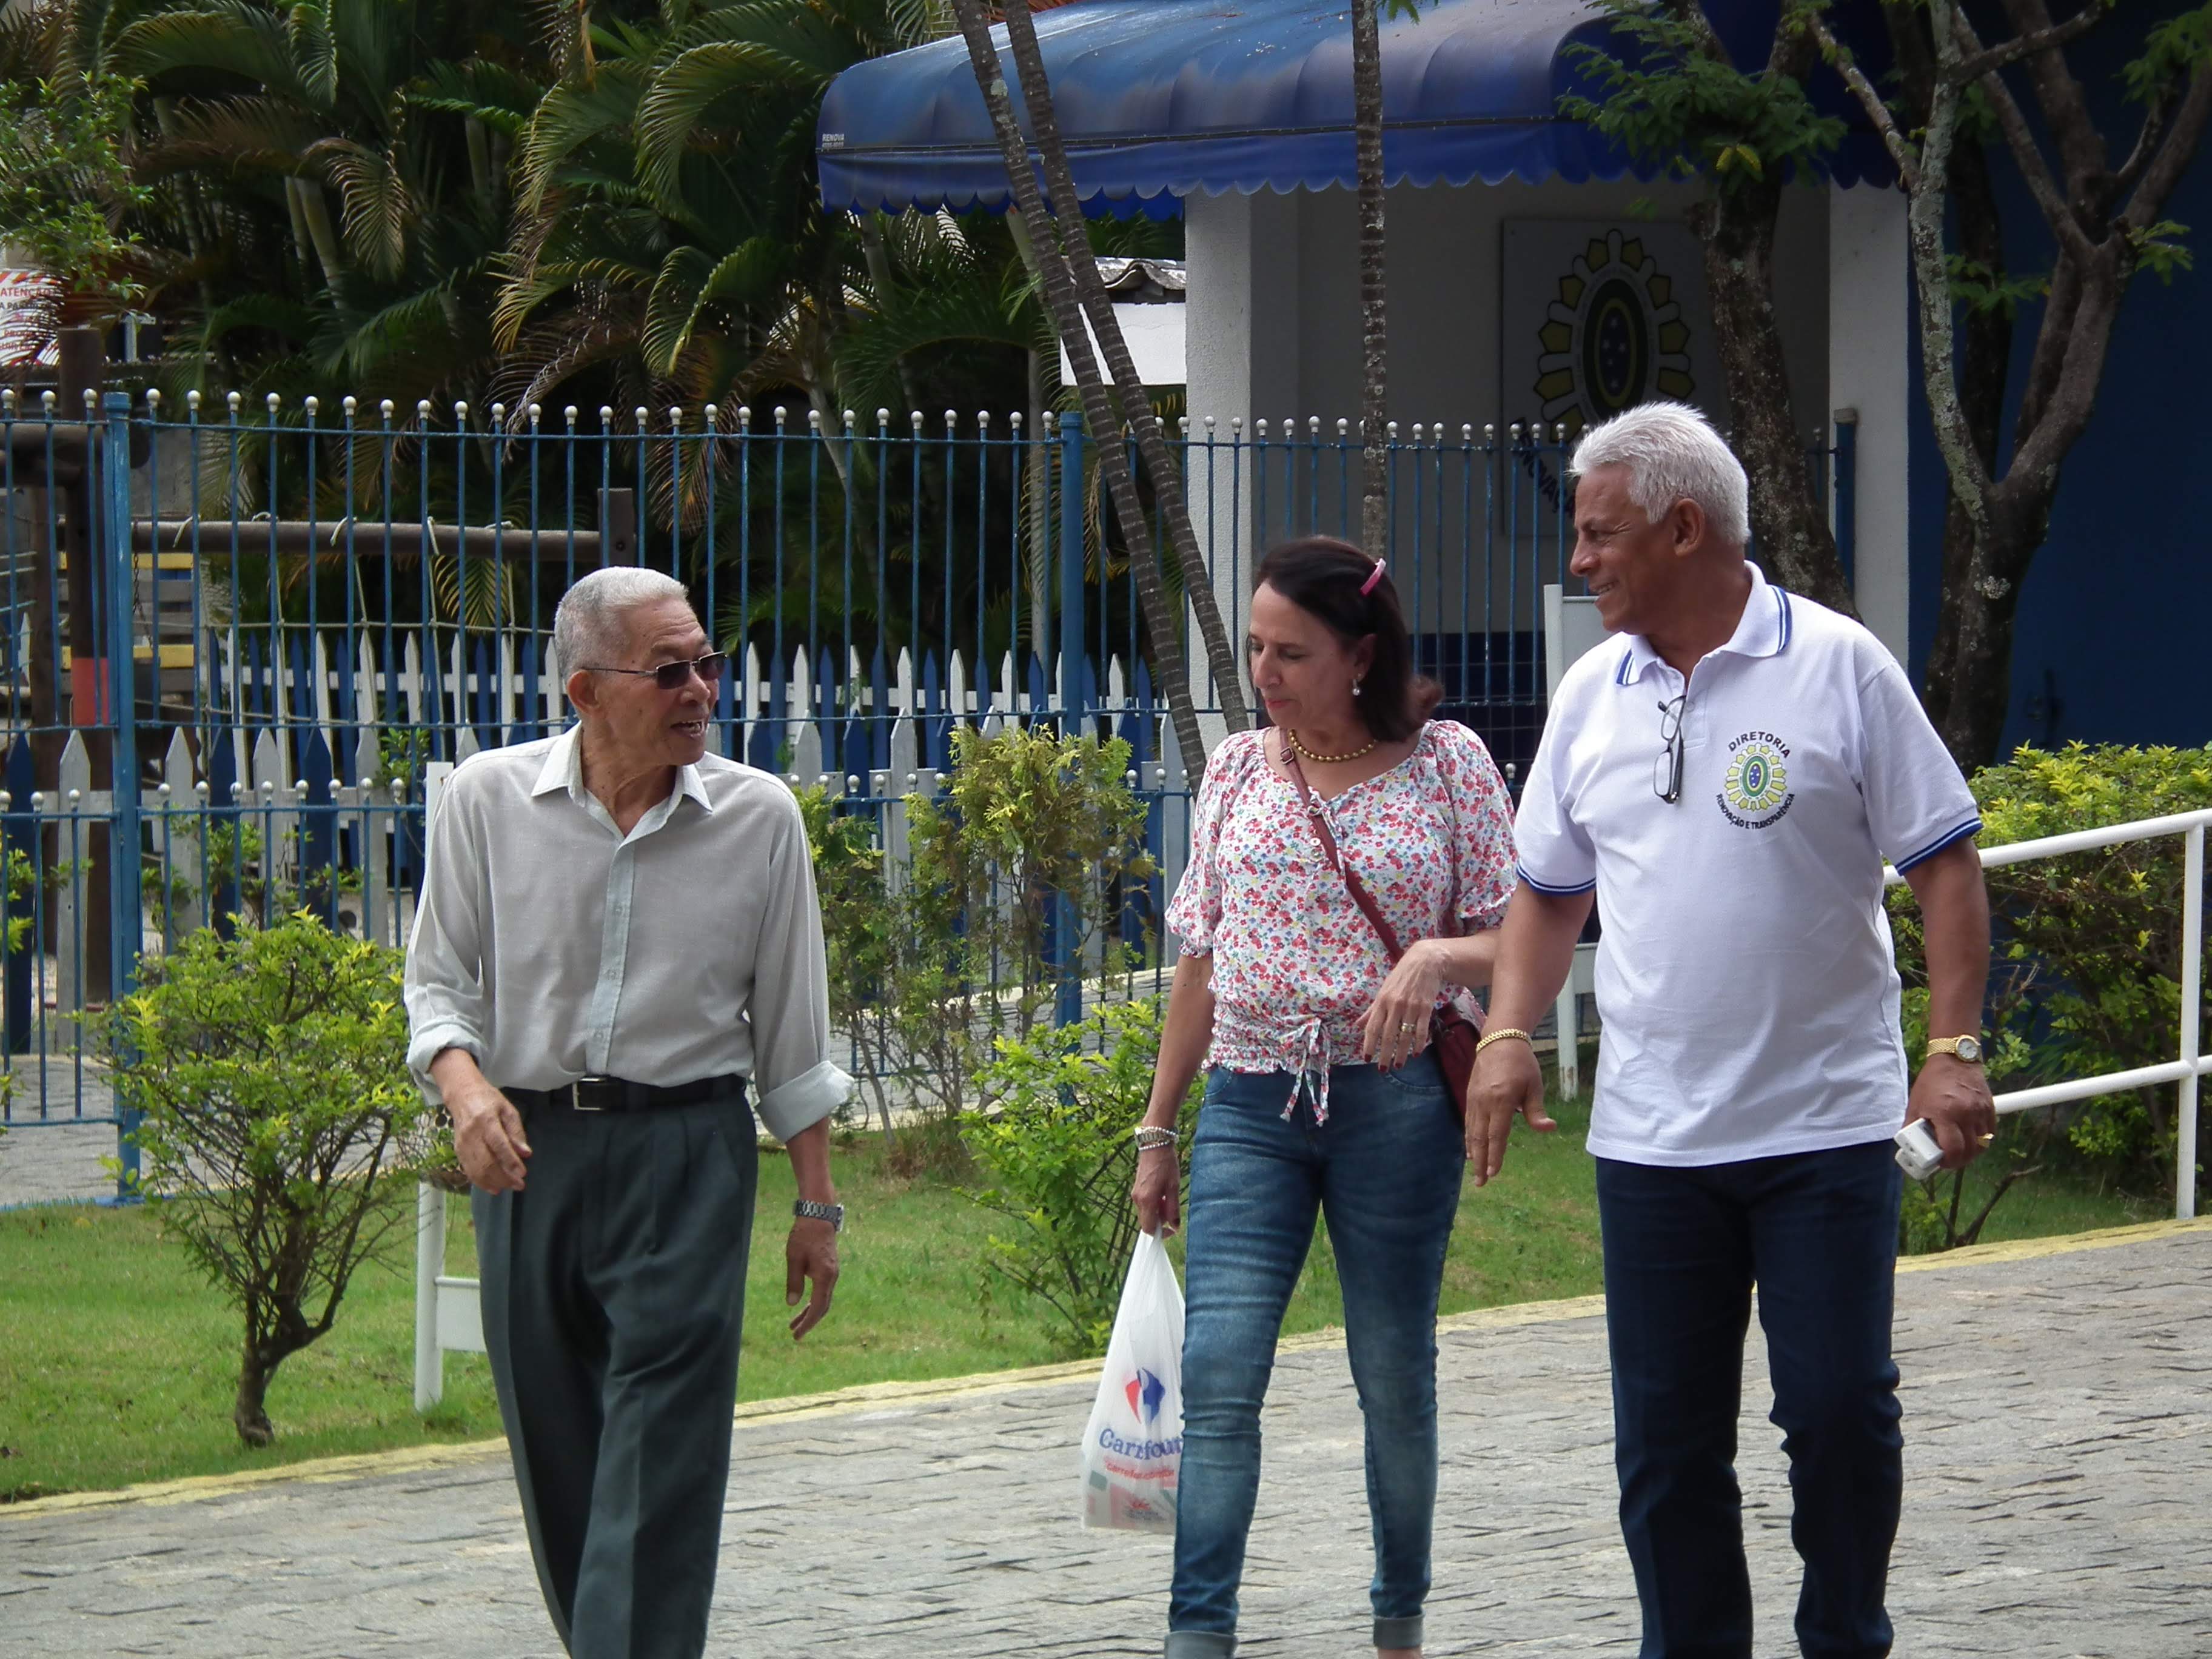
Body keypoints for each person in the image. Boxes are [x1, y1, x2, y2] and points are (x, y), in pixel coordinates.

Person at [1469, 401, 1996, 1659]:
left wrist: (1953, 1050)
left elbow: (1947, 865)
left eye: (1600, 533)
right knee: (1664, 1449)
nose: (1581, 559)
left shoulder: (1837, 666)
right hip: (1653, 1146)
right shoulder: (1594, 691)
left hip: (1824, 1129)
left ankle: (1843, 1634)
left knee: (1837, 1417)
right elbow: (1549, 890)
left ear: (1682, 526)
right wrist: (1505, 1030)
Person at [403, 566, 850, 1659]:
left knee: (659, 1458)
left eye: (707, 663)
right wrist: (465, 1090)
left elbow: (794, 1033)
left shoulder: (759, 820)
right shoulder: (484, 800)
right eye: (670, 672)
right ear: (585, 691)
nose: (702, 688)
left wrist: (818, 1203)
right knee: (558, 1458)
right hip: (526, 1157)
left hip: (686, 1154)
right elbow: (438, 985)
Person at [1131, 536, 1520, 1659]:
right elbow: (1198, 958)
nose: (1266, 672)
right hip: (1251, 1103)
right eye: (1256, 648)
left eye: (1291, 652)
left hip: (1395, 1110)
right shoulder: (1243, 772)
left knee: (1392, 1373)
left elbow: (1521, 934)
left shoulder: (1447, 762)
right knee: (1218, 1375)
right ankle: (1197, 1636)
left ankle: (1398, 1619)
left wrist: (1440, 962)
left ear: (1360, 654)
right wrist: (1162, 1129)